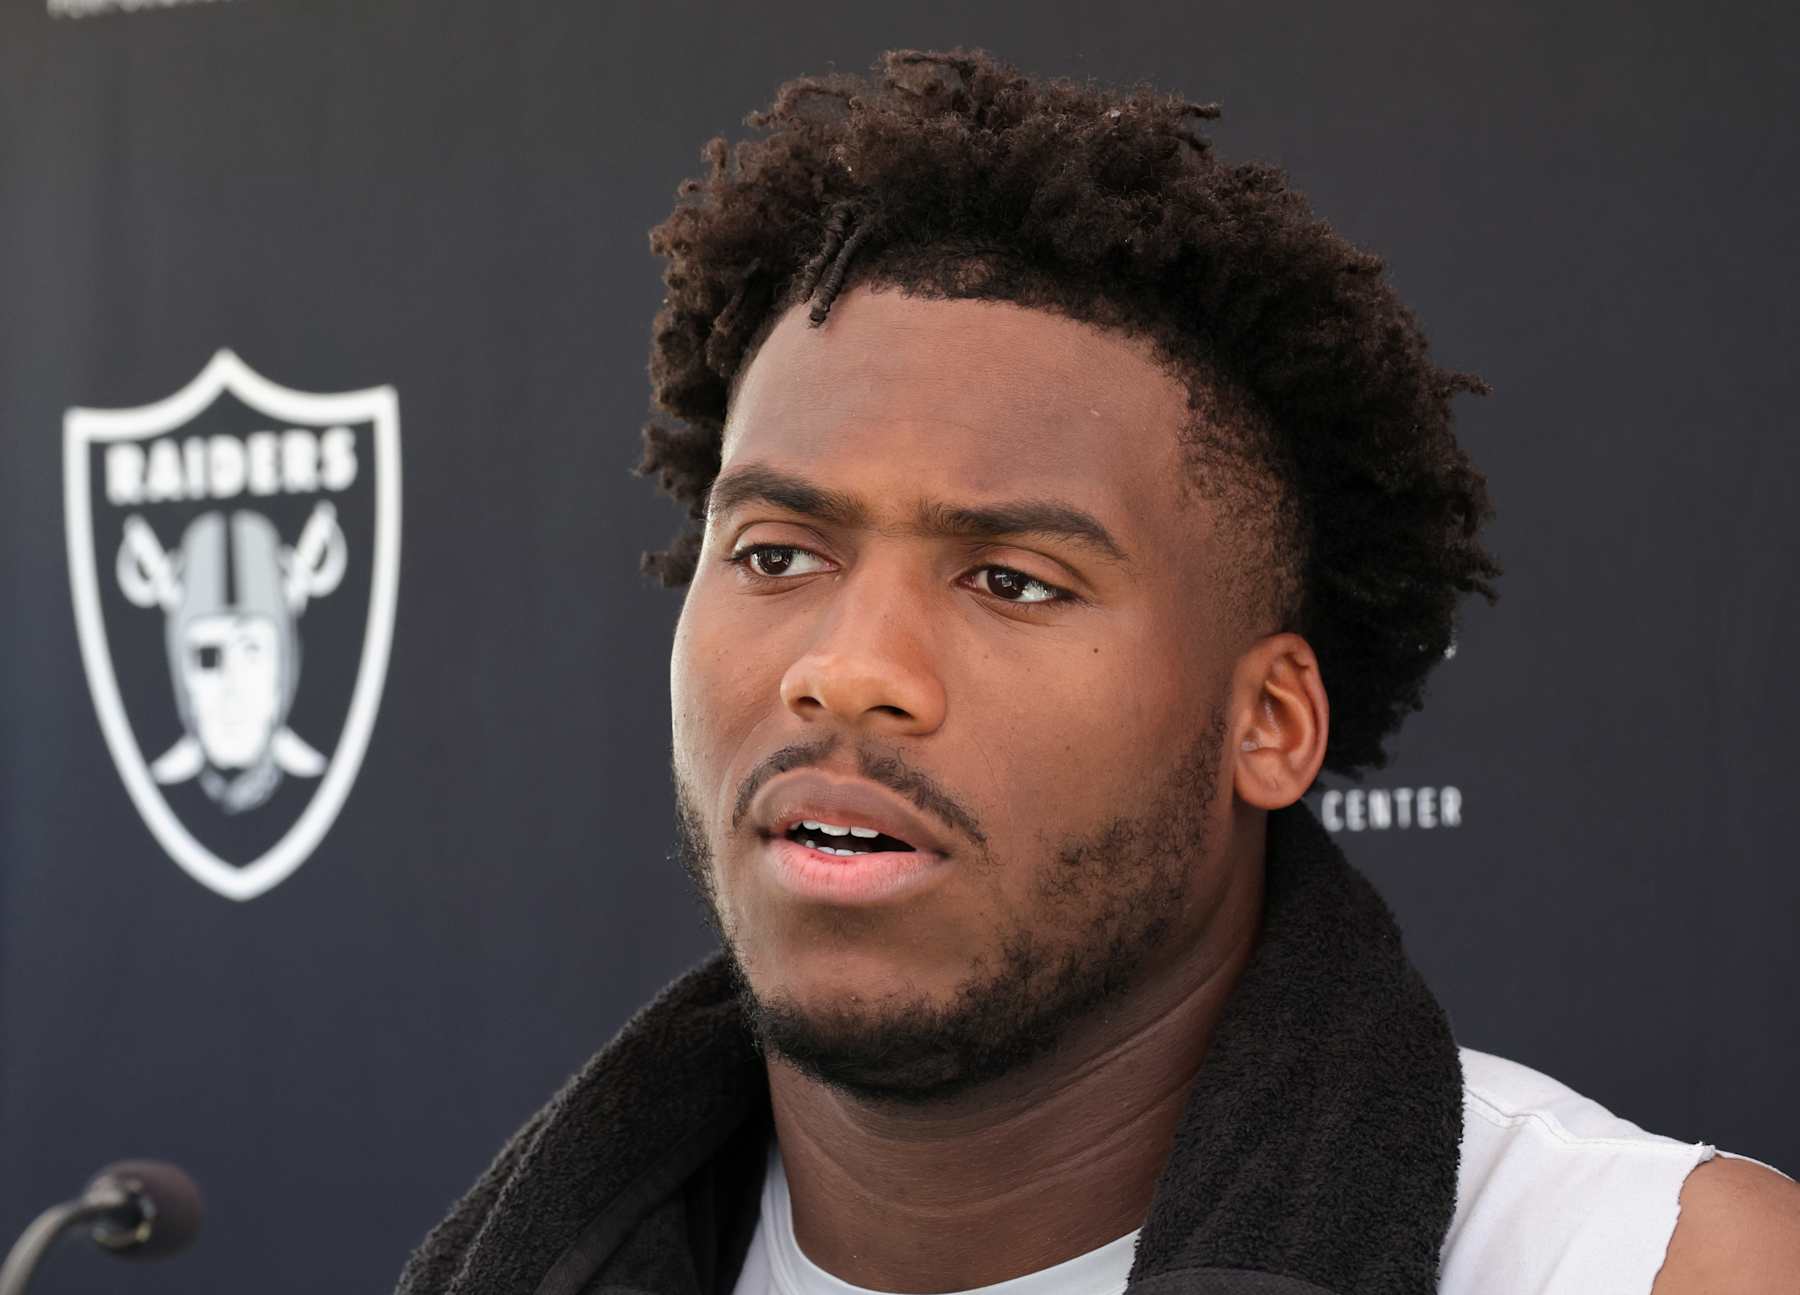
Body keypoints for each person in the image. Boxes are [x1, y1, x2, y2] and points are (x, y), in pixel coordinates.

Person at [397, 48, 1800, 1295]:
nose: (847, 670)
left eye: (1012, 580)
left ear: (1269, 722)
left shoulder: (1636, 1264)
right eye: (776, 555)